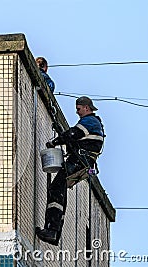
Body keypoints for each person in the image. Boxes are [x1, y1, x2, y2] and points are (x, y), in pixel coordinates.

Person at [35, 96, 105, 246]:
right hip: (83, 161)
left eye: (79, 109)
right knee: (59, 190)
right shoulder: (94, 123)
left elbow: (72, 134)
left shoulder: (90, 121)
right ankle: (54, 232)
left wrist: (55, 141)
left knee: (56, 189)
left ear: (86, 107)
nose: (77, 112)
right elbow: (73, 138)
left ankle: (52, 230)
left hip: (79, 161)